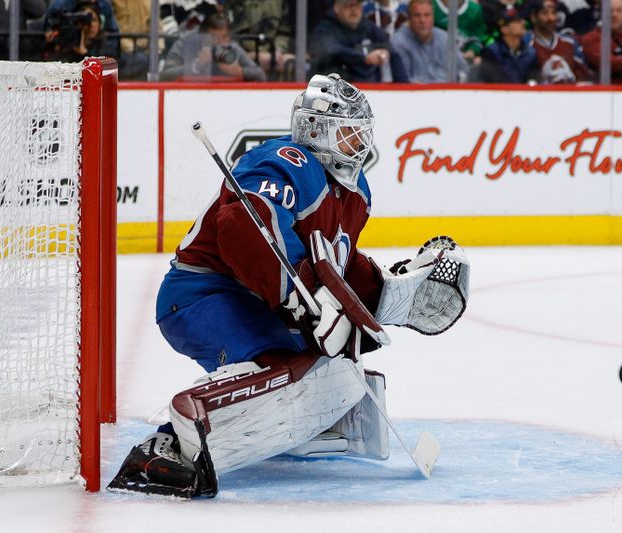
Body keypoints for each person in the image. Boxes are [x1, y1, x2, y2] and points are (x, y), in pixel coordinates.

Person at [107, 73, 469, 498]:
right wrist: (303, 298)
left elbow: (337, 262)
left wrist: (387, 294)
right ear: (316, 130)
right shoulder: (286, 160)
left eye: (361, 132)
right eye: (349, 132)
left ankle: (307, 424)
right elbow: (244, 225)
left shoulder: (357, 194)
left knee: (325, 369)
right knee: (276, 369)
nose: (360, 142)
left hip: (261, 300)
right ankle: (166, 446)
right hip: (202, 293)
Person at [310, 0, 409, 83]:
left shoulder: (369, 27)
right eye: (348, 5)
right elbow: (331, 49)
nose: (353, 10)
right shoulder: (325, 29)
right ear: (337, 8)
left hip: (369, 90)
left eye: (357, 5)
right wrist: (364, 58)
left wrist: (404, 87)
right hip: (334, 89)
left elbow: (392, 52)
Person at [160, 14, 266, 81]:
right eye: (214, 37)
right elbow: (165, 76)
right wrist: (195, 66)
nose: (220, 42)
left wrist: (240, 72)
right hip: (191, 97)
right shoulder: (185, 44)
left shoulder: (232, 47)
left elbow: (260, 75)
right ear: (203, 37)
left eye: (224, 37)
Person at [390, 0, 469, 82]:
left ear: (433, 18)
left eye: (427, 15)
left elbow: (463, 68)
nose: (422, 20)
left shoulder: (445, 38)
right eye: (417, 15)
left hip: (449, 91)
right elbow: (404, 83)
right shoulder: (398, 42)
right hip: (419, 93)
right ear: (409, 18)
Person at [223, 0, 294, 79]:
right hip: (244, 52)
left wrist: (278, 49)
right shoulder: (236, 2)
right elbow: (239, 33)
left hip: (274, 52)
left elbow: (284, 31)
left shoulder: (281, 2)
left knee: (291, 63)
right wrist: (261, 53)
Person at [528, 0, 592, 83]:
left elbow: (584, 75)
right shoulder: (526, 43)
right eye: (545, 13)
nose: (551, 18)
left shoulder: (570, 42)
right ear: (533, 17)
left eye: (553, 13)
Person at [479, 3, 538, 83]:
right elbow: (494, 81)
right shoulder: (491, 52)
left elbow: (534, 78)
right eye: (517, 21)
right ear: (504, 29)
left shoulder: (531, 53)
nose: (523, 23)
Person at [43, 0, 118, 62]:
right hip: (66, 52)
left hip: (97, 50)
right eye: (87, 21)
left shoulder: (104, 5)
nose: (90, 25)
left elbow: (112, 37)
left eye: (94, 20)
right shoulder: (59, 6)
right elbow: (49, 28)